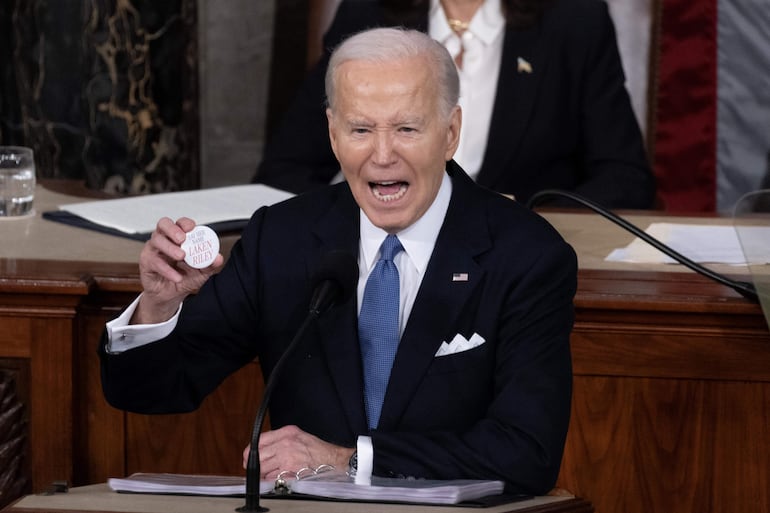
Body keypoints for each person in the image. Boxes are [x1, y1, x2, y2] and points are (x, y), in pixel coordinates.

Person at [99, 27, 577, 495]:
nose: (382, 155)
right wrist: (156, 308)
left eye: (407, 129)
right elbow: (154, 391)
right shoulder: (281, 240)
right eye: (361, 129)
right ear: (332, 133)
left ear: (450, 133)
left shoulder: (526, 257)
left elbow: (526, 452)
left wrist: (346, 461)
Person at [254, 0, 656, 209]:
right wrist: (366, 212)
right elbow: (285, 169)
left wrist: (522, 216)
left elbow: (625, 179)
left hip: (514, 268)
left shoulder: (575, 22)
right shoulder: (368, 14)